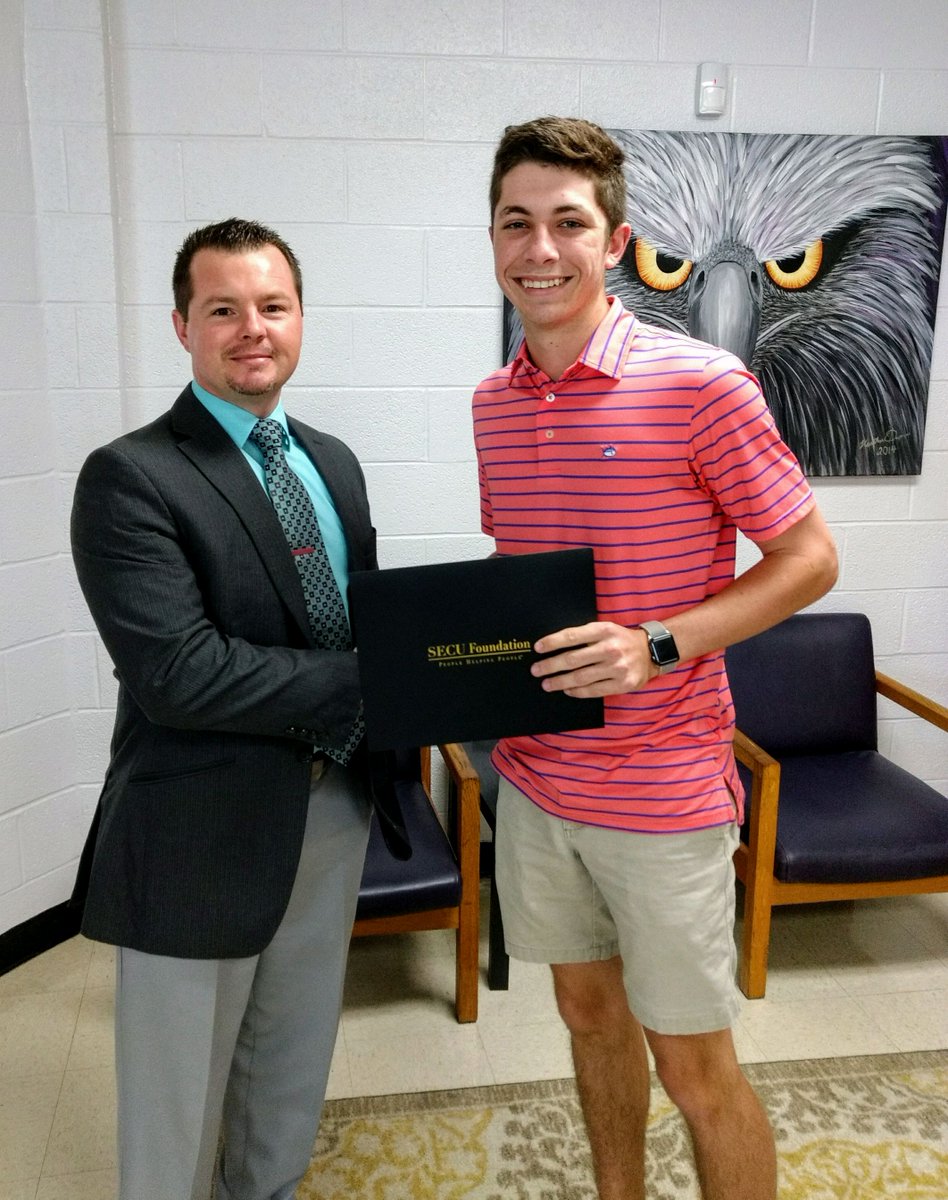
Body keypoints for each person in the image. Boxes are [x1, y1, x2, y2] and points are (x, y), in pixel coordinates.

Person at [473, 117, 838, 1200]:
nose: (541, 248)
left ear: (616, 242)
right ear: (493, 239)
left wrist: (661, 644)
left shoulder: (702, 383)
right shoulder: (493, 405)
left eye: (568, 223)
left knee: (695, 1067)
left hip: (666, 796)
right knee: (588, 1026)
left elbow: (811, 560)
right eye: (517, 222)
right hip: (538, 785)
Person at [70, 217, 408, 1200]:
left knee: (291, 1063)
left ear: (302, 319)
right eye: (224, 309)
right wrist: (384, 679)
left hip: (333, 807)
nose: (252, 328)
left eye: (273, 306)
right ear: (183, 325)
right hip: (198, 829)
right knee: (176, 1104)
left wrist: (431, 661)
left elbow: (363, 620)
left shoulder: (332, 462)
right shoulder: (132, 476)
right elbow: (180, 670)